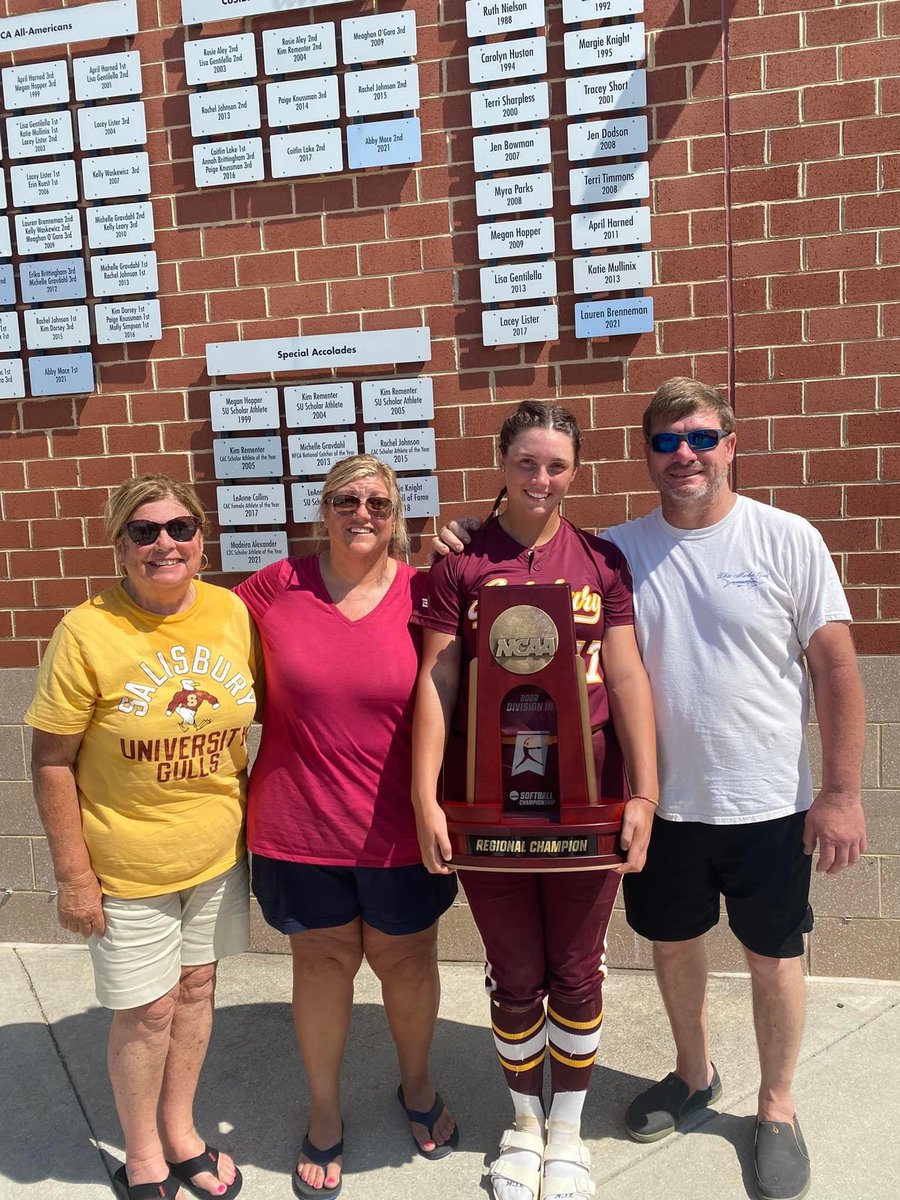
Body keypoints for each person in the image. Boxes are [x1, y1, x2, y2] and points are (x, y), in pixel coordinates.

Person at [437, 379, 867, 1200]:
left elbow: (838, 669)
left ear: (731, 446)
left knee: (773, 956)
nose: (685, 455)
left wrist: (842, 793)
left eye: (702, 438)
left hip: (768, 798)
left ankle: (776, 1107)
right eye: (667, 442)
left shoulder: (787, 538)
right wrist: (457, 534)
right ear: (646, 456)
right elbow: (527, 547)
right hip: (661, 802)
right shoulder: (619, 550)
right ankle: (692, 1072)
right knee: (673, 946)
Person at [411, 401, 659, 1200]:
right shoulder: (460, 564)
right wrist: (426, 797)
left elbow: (625, 678)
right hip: (488, 808)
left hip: (586, 808)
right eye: (526, 462)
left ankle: (568, 1131)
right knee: (515, 971)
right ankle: (523, 1123)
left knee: (577, 972)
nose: (541, 479)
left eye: (556, 465)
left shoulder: (603, 561)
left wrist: (644, 794)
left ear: (575, 471)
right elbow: (439, 678)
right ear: (500, 462)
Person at [27, 475, 260, 1200]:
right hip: (125, 864)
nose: (166, 543)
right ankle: (143, 1153)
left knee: (195, 990)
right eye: (144, 530)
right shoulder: (86, 631)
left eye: (181, 528)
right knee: (147, 1009)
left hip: (217, 855)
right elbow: (50, 760)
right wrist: (73, 875)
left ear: (201, 540)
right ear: (120, 545)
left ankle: (182, 1131)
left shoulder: (231, 613)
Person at [233, 454, 458, 1200]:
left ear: (400, 516)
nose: (362, 513)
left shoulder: (426, 592)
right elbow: (208, 662)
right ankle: (324, 1110)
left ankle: (417, 1085)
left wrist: (470, 549)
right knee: (322, 966)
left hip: (400, 827)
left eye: (379, 503)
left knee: (407, 962)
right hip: (300, 826)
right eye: (345, 500)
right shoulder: (274, 588)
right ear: (320, 510)